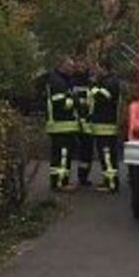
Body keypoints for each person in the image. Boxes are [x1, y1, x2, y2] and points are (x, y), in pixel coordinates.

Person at [86, 60, 123, 192]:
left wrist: (93, 85)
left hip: (106, 126)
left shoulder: (111, 82)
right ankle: (108, 182)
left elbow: (102, 97)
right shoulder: (107, 81)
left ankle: (111, 184)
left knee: (107, 156)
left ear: (104, 68)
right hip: (102, 125)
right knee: (105, 156)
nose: (95, 71)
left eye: (98, 68)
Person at [45, 57, 81, 190]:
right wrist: (76, 102)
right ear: (62, 66)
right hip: (61, 125)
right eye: (70, 66)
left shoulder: (62, 80)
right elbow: (61, 104)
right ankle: (61, 183)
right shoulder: (57, 82)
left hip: (63, 125)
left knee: (59, 156)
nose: (73, 69)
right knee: (62, 155)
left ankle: (57, 182)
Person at [70, 54, 95, 187]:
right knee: (73, 152)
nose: (81, 68)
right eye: (78, 66)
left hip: (89, 123)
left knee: (87, 152)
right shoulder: (71, 81)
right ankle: (69, 178)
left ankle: (83, 177)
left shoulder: (90, 82)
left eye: (83, 66)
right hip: (75, 122)